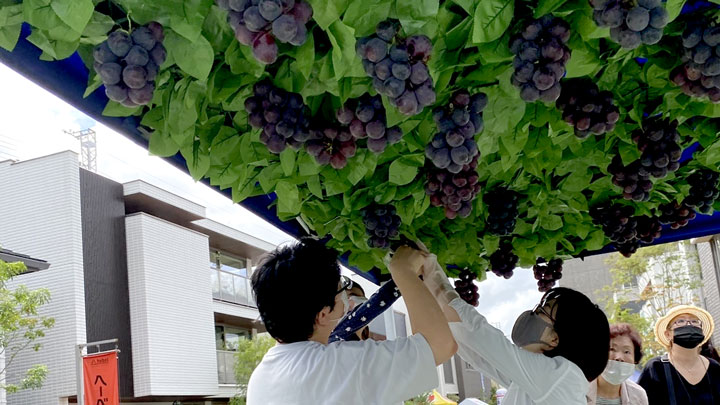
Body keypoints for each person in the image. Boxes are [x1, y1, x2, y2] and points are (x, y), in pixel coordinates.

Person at [246, 239, 457, 404]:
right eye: (342, 290)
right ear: (322, 315)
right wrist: (403, 271)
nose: (347, 299)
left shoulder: (261, 377)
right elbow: (440, 345)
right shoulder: (334, 367)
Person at [420, 254, 610, 404]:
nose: (533, 313)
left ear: (554, 338)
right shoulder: (536, 380)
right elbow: (479, 355)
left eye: (543, 310)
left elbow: (482, 336)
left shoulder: (561, 376)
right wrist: (430, 285)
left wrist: (433, 274)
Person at [638, 304, 720, 404]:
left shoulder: (714, 368)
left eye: (694, 321)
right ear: (668, 334)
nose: (689, 325)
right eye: (681, 321)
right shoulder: (656, 368)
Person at [586, 323, 648, 405]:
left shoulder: (639, 395)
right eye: (612, 349)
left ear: (635, 359)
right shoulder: (578, 389)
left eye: (626, 351)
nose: (619, 357)